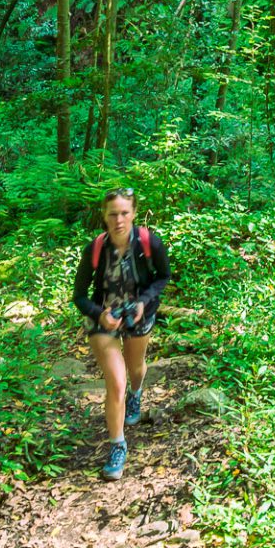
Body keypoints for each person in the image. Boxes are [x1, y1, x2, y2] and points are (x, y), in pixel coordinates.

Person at [71, 187, 170, 481]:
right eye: (113, 214)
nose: (119, 219)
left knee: (136, 368)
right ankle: (118, 445)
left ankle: (136, 394)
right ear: (104, 215)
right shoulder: (95, 248)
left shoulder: (149, 242)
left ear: (134, 214)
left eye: (125, 213)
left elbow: (162, 276)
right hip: (105, 317)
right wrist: (99, 314)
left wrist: (143, 303)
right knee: (116, 380)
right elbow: (79, 296)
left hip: (139, 311)